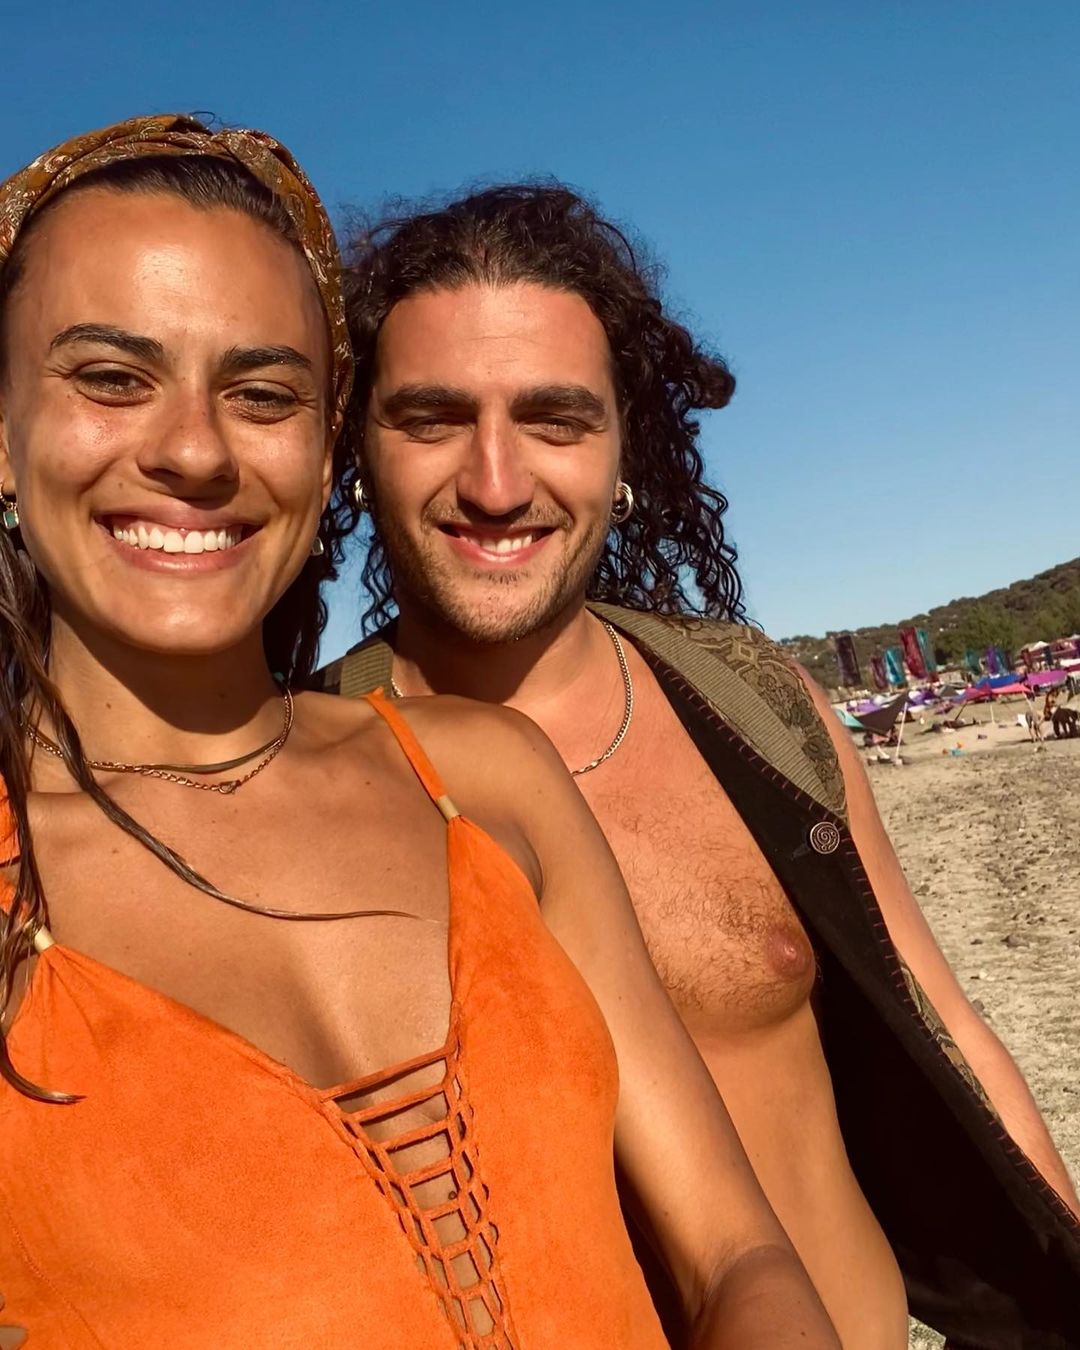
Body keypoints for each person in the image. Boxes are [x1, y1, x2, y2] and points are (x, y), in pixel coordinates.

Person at [0, 120, 841, 1349]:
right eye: (113, 379)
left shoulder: (479, 773)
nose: (193, 449)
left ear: (322, 448)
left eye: (263, 394)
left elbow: (735, 1253)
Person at [320, 185, 1080, 1348]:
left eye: (556, 420)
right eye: (432, 418)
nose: (496, 482)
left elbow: (949, 1028)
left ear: (624, 449)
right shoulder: (307, 774)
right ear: (357, 453)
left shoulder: (755, 704)